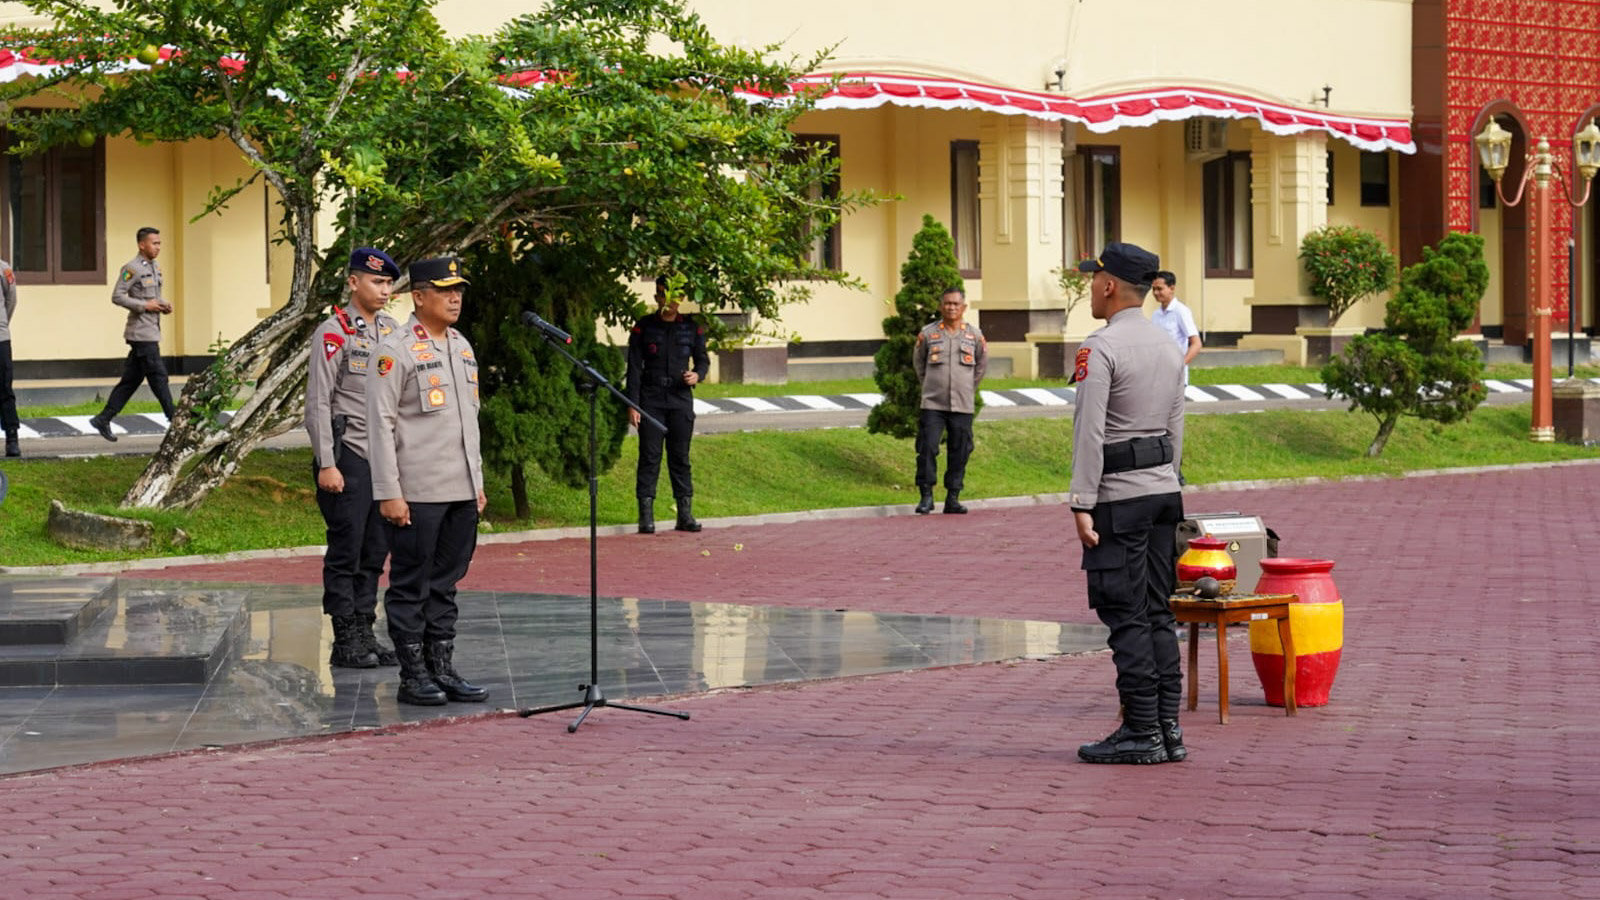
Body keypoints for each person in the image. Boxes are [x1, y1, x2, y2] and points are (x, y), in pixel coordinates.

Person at [1069, 242, 1188, 765]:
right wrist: (1169, 479)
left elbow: (1089, 432)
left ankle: (1141, 731)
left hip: (1118, 497)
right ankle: (1168, 728)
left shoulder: (1101, 347)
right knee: (1159, 611)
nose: (1091, 287)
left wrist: (1081, 501)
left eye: (1094, 279)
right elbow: (1176, 425)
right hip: (1164, 491)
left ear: (1110, 284)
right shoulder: (1169, 346)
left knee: (1126, 613)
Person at [367, 256, 489, 706]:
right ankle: (412, 673)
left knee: (447, 584)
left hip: (459, 490)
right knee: (410, 584)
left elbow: (468, 422)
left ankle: (442, 667)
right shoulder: (393, 351)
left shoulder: (460, 346)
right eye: (445, 290)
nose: (455, 297)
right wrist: (389, 493)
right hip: (416, 493)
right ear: (418, 297)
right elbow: (379, 426)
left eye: (459, 289)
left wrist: (475, 481)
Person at [306, 247, 402, 669]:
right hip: (348, 458)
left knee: (375, 551)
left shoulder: (391, 330)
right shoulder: (334, 332)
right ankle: (344, 637)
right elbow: (318, 402)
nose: (384, 290)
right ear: (353, 283)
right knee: (346, 551)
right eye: (377, 282)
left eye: (388, 284)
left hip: (383, 460)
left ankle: (365, 629)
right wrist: (327, 462)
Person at [626, 276, 710, 534]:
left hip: (680, 399)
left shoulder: (691, 328)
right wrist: (633, 405)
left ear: (681, 299)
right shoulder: (644, 327)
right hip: (651, 400)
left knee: (680, 458)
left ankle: (685, 515)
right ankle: (646, 517)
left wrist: (697, 375)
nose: (667, 301)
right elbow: (634, 370)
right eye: (662, 295)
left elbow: (703, 361)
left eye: (673, 296)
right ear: (656, 298)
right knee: (649, 457)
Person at [90, 227, 175, 442]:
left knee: (131, 380)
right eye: (154, 243)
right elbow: (117, 296)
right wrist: (145, 305)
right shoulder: (132, 268)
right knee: (158, 376)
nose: (158, 247)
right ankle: (174, 418)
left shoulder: (155, 267)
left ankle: (103, 418)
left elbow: (154, 296)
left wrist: (163, 304)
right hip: (141, 333)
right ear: (142, 245)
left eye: (159, 243)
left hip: (151, 330)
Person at [912, 287, 987, 514]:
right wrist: (931, 386)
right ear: (940, 306)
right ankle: (926, 497)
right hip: (933, 404)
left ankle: (953, 497)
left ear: (963, 307)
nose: (951, 307)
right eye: (947, 303)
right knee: (927, 449)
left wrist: (967, 387)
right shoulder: (928, 334)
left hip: (962, 404)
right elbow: (919, 365)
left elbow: (981, 367)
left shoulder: (974, 335)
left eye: (956, 304)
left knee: (961, 449)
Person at [1149, 271, 1201, 383]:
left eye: (1159, 289)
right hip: (1157, 374)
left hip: (1175, 377)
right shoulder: (1155, 314)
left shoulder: (1181, 311)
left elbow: (1196, 343)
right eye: (1153, 289)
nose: (1156, 293)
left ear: (1172, 288)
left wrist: (1180, 365)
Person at [0, 256, 17, 457]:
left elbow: (11, 299)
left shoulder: (4, 269)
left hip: (0, 338)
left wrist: (3, 324)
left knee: (4, 387)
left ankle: (12, 438)